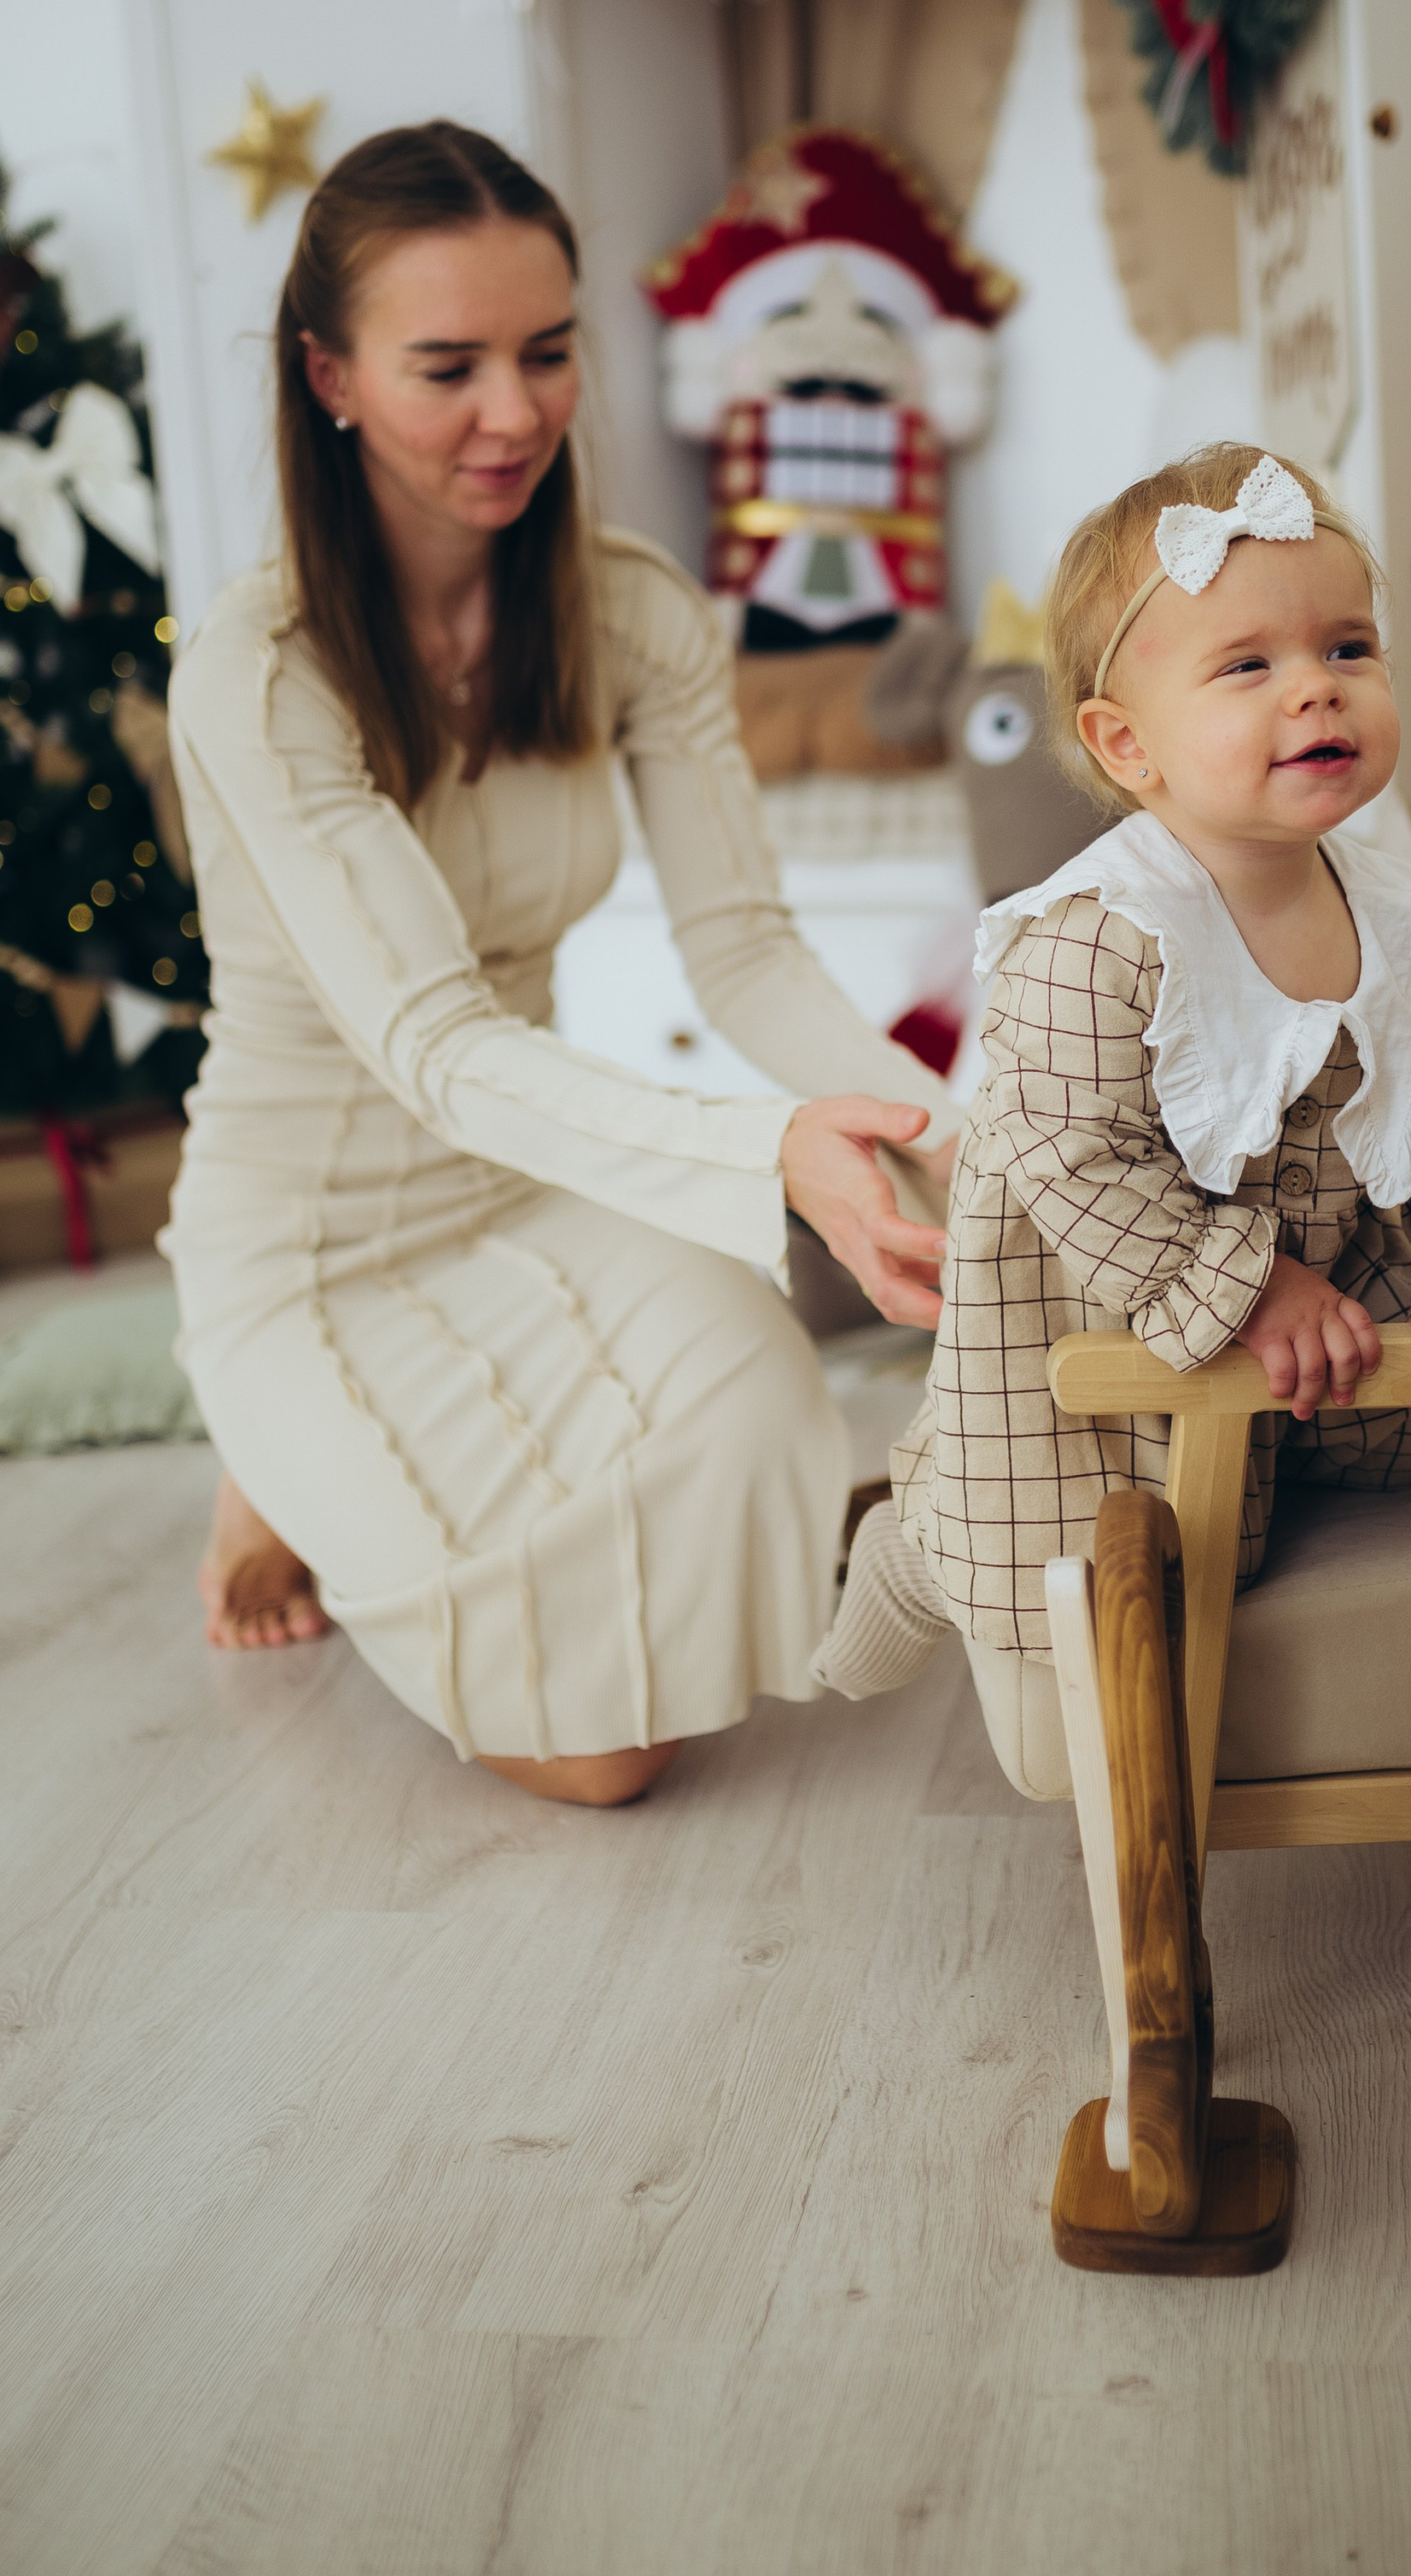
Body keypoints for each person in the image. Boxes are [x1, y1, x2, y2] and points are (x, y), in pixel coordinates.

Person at [165, 122, 959, 1806]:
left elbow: (743, 952)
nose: (512, 414)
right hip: (305, 1239)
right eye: (445, 366)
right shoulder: (257, 667)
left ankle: (368, 1481)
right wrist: (770, 1151)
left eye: (543, 352)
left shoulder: (643, 616)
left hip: (519, 1193)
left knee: (764, 1400)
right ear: (329, 376)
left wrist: (961, 1128)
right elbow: (432, 1044)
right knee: (604, 1760)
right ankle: (270, 1448)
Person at [814, 442, 1411, 1798]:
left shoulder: (1386, 906)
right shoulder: (1100, 938)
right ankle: (917, 1542)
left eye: (1347, 646)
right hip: (1106, 1307)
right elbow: (1066, 1153)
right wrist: (1245, 1286)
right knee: (1100, 1537)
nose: (1316, 687)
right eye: (1247, 667)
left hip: (1315, 1286)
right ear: (1127, 746)